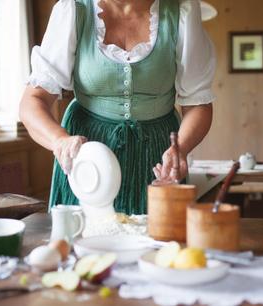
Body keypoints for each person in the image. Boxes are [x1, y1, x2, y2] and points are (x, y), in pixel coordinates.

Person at [20, 0, 216, 215]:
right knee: (84, 241)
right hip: (87, 157)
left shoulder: (180, 12)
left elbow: (198, 103)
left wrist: (181, 148)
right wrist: (59, 140)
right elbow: (33, 100)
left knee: (157, 241)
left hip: (157, 156)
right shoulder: (74, 11)